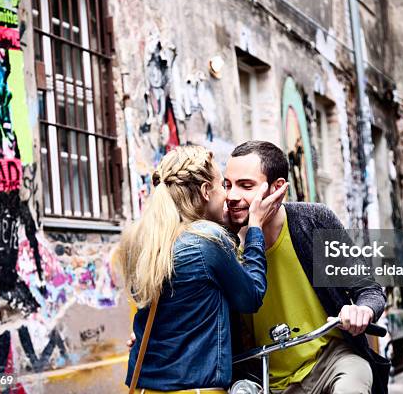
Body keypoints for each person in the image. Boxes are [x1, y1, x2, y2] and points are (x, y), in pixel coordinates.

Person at [115, 145, 288, 393]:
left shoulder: (141, 238)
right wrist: (255, 229)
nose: (228, 196)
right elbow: (251, 297)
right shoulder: (206, 240)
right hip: (195, 388)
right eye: (222, 186)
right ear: (206, 191)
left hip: (144, 387)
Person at [224, 141, 389, 394]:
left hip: (332, 360)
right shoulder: (224, 243)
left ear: (277, 188)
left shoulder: (313, 220)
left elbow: (369, 288)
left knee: (354, 381)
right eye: (227, 185)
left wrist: (363, 310)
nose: (232, 196)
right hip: (268, 378)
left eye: (245, 186)